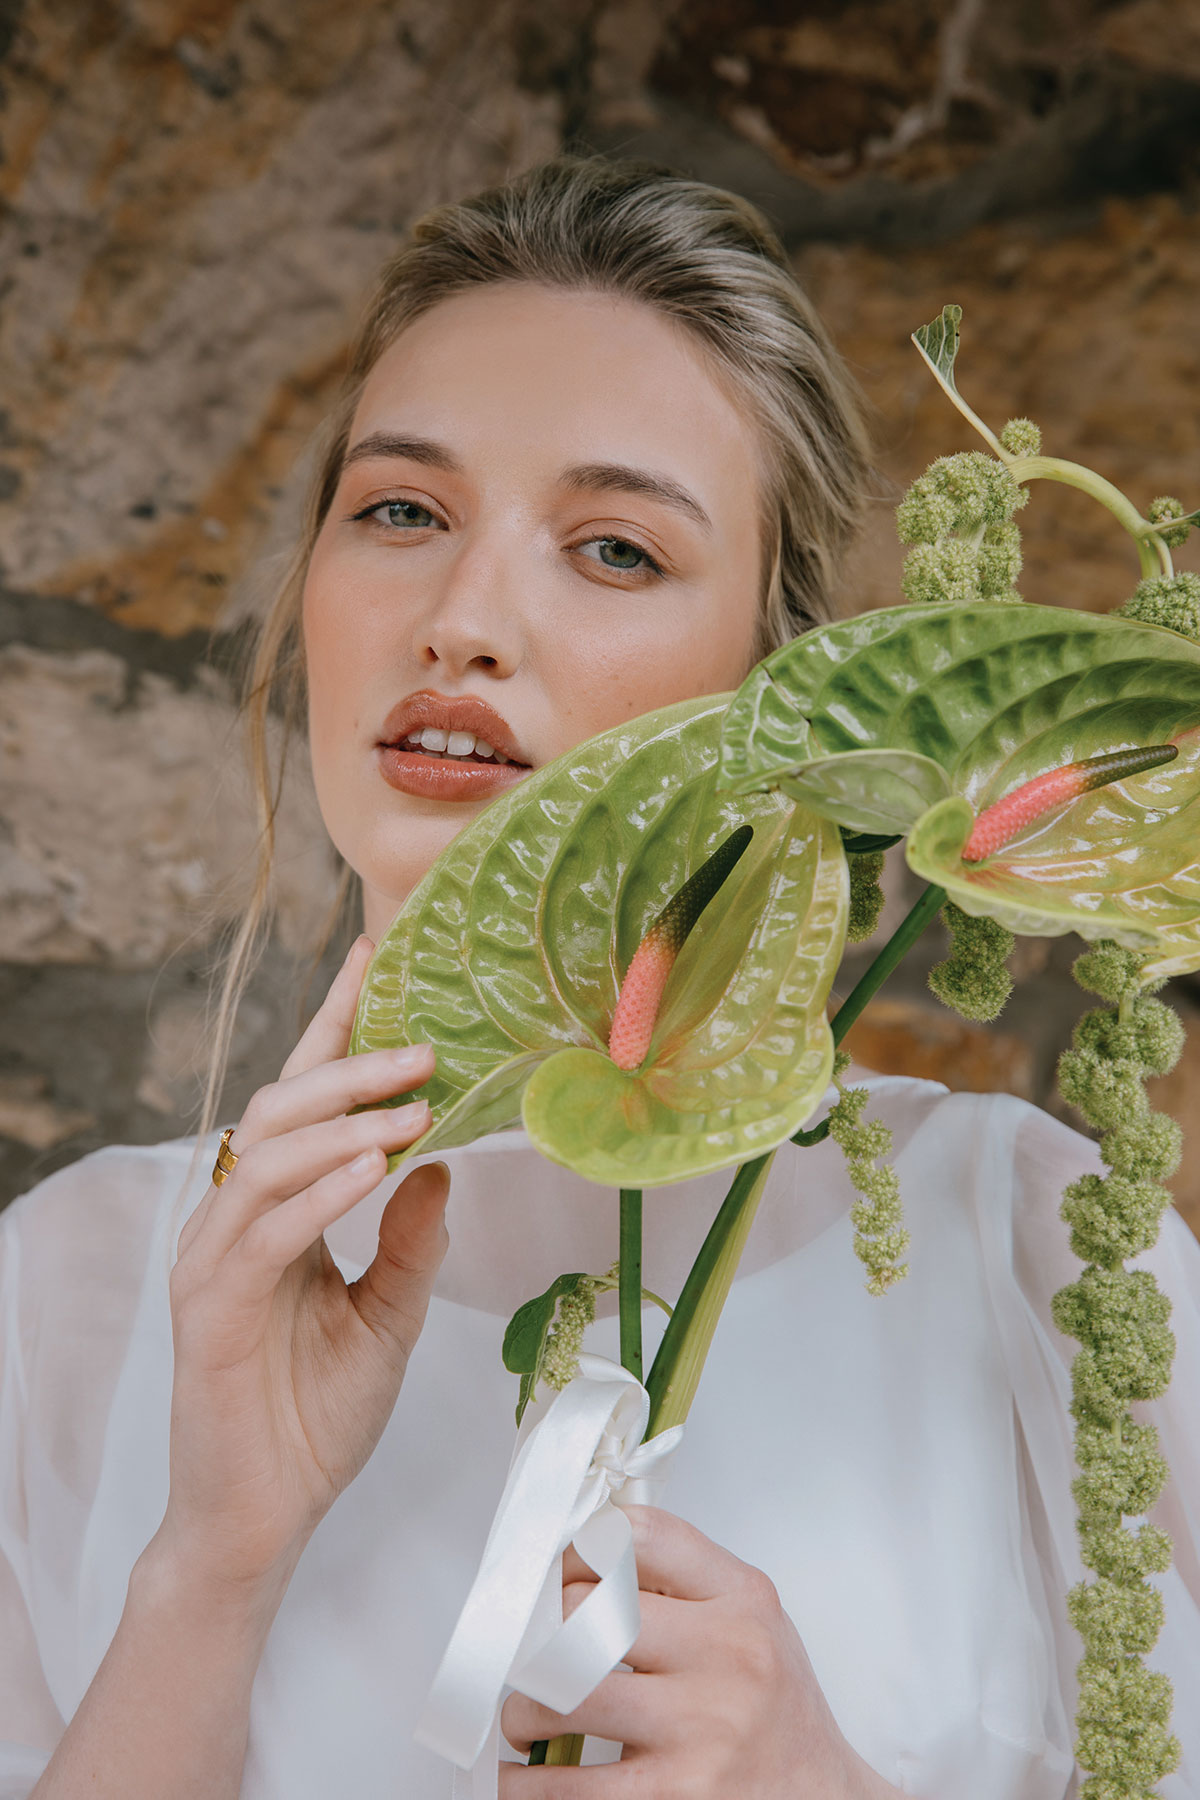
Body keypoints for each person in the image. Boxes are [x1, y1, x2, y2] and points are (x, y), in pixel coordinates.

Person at [3, 156, 1199, 1800]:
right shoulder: (69, 1292)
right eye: (402, 511)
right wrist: (210, 1570)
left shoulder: (1034, 1253)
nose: (465, 619)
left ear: (773, 684)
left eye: (617, 549)